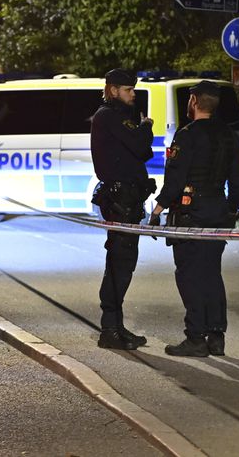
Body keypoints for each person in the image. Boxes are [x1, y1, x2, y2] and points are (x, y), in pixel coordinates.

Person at [149, 81, 239, 357]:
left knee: (189, 276)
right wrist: (229, 209)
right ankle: (216, 336)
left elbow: (175, 180)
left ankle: (195, 337)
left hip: (190, 213)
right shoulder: (229, 136)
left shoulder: (186, 135)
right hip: (217, 211)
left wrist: (157, 211)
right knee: (212, 273)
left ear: (193, 102)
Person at [90, 68, 155, 350]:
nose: (133, 95)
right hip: (120, 199)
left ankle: (116, 326)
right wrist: (146, 127)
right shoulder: (108, 115)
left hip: (128, 199)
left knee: (124, 263)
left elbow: (141, 150)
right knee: (120, 263)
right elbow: (142, 148)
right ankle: (110, 330)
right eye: (129, 90)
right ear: (113, 89)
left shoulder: (119, 117)